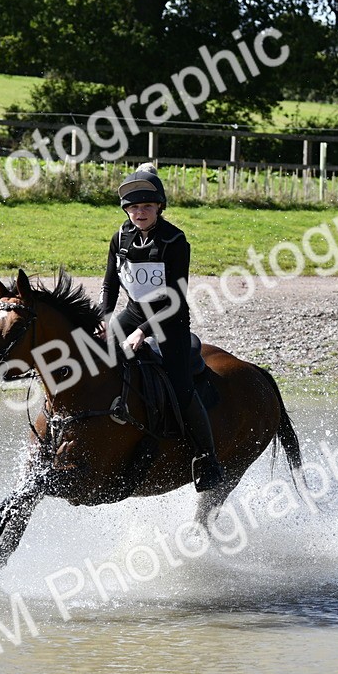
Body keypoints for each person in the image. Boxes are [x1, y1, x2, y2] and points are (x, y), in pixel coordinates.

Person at [99, 164, 225, 491]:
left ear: (159, 207)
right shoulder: (120, 238)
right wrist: (104, 317)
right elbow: (110, 285)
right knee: (94, 358)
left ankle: (208, 459)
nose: (139, 213)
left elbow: (175, 299)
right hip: (132, 313)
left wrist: (144, 331)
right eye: (133, 207)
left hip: (169, 321)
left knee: (180, 386)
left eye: (146, 206)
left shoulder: (175, 240)